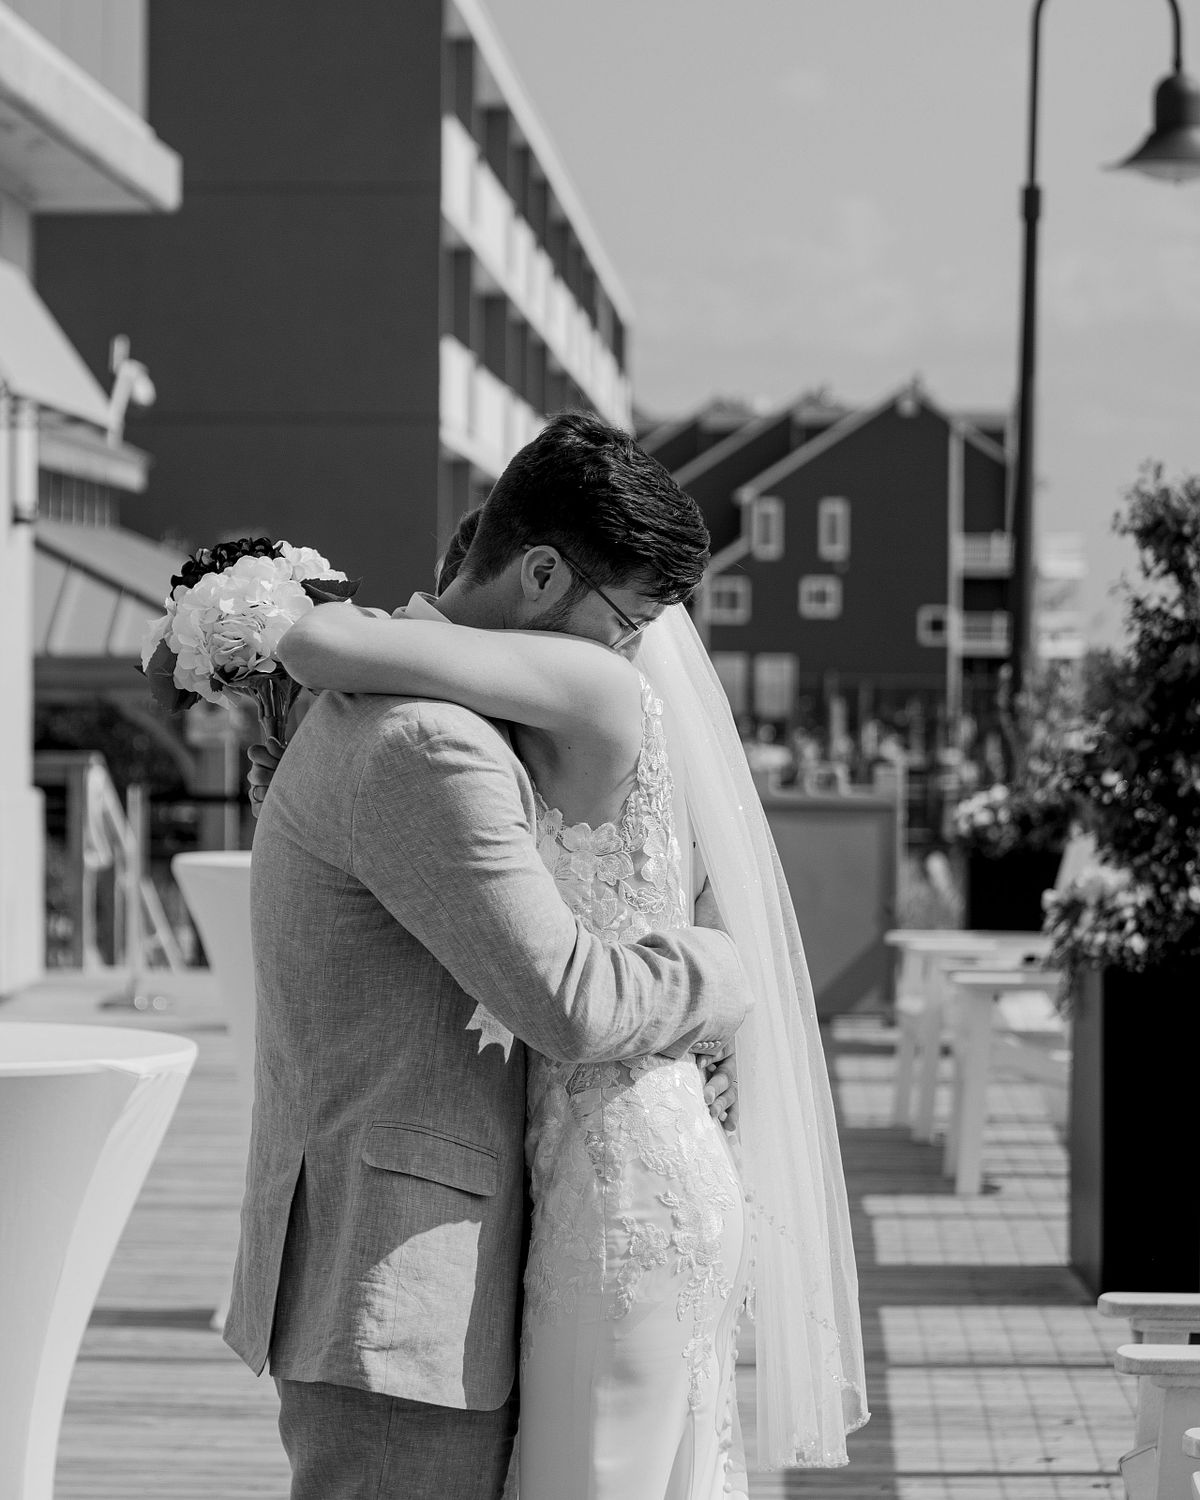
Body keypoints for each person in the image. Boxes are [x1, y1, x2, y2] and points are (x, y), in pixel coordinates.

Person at [252, 413, 869, 1497]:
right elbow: (573, 1002)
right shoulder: (429, 741)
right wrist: (728, 977)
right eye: (628, 619)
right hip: (408, 1284)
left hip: (547, 1219)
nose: (640, 653)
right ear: (540, 571)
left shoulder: (472, 712)